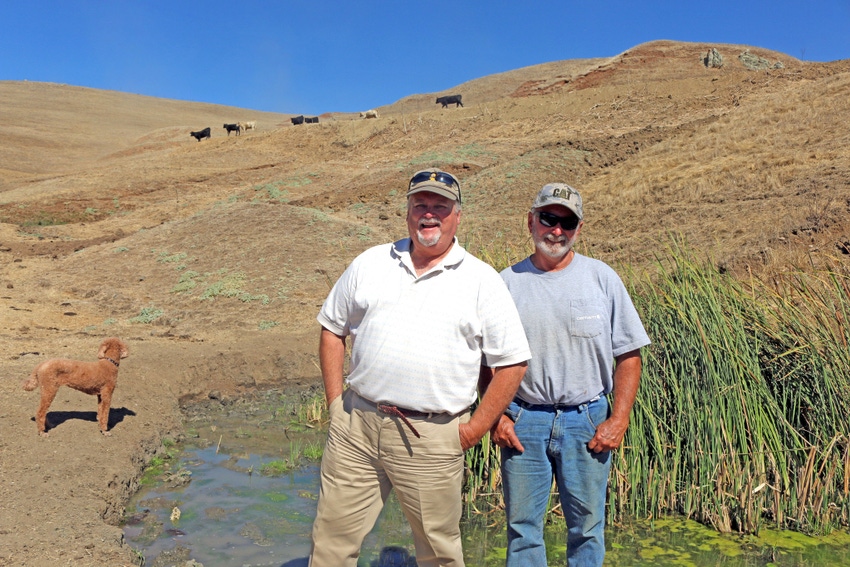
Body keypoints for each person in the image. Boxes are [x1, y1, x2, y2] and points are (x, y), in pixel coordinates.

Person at [309, 168, 531, 567]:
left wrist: (473, 430)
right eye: (420, 205)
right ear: (408, 212)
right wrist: (334, 406)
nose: (429, 215)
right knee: (331, 544)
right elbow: (331, 328)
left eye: (440, 207)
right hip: (356, 427)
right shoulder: (371, 262)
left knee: (438, 554)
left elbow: (513, 363)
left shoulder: (481, 280)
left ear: (456, 216)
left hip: (431, 437)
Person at [492, 183, 651, 567]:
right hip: (523, 420)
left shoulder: (602, 278)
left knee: (587, 527)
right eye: (549, 218)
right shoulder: (504, 283)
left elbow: (629, 355)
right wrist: (496, 415)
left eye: (567, 222)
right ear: (530, 221)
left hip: (588, 421)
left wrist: (619, 419)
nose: (556, 230)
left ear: (579, 228)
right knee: (523, 529)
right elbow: (485, 362)